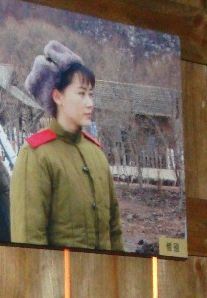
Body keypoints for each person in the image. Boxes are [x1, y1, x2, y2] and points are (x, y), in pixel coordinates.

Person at [9, 41, 123, 252]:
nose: (90, 103)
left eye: (91, 94)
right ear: (57, 96)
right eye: (81, 93)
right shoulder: (36, 156)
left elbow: (114, 232)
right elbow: (28, 241)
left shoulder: (97, 155)